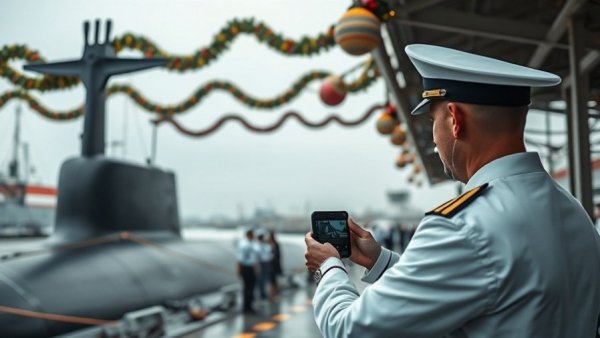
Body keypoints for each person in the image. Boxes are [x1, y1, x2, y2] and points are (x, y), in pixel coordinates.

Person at [305, 44, 600, 337]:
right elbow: (487, 282)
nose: (434, 141)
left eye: (434, 121)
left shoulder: (463, 226)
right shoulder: (574, 211)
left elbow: (349, 329)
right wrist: (379, 260)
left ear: (455, 119)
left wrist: (328, 267)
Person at [236, 227, 258, 313]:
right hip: (246, 268)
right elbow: (240, 259)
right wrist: (239, 270)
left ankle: (249, 305)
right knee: (248, 287)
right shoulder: (244, 245)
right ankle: (247, 306)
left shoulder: (250, 243)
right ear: (249, 235)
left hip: (250, 267)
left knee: (251, 287)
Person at [255, 229, 273, 301]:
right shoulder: (256, 246)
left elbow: (269, 253)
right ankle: (261, 294)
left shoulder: (265, 245)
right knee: (261, 280)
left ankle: (264, 293)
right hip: (260, 264)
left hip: (266, 263)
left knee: (265, 279)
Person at [269, 230, 283, 296]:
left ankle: (274, 291)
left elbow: (277, 255)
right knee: (272, 278)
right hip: (272, 264)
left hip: (273, 264)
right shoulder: (273, 244)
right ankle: (273, 291)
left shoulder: (275, 244)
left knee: (273, 278)